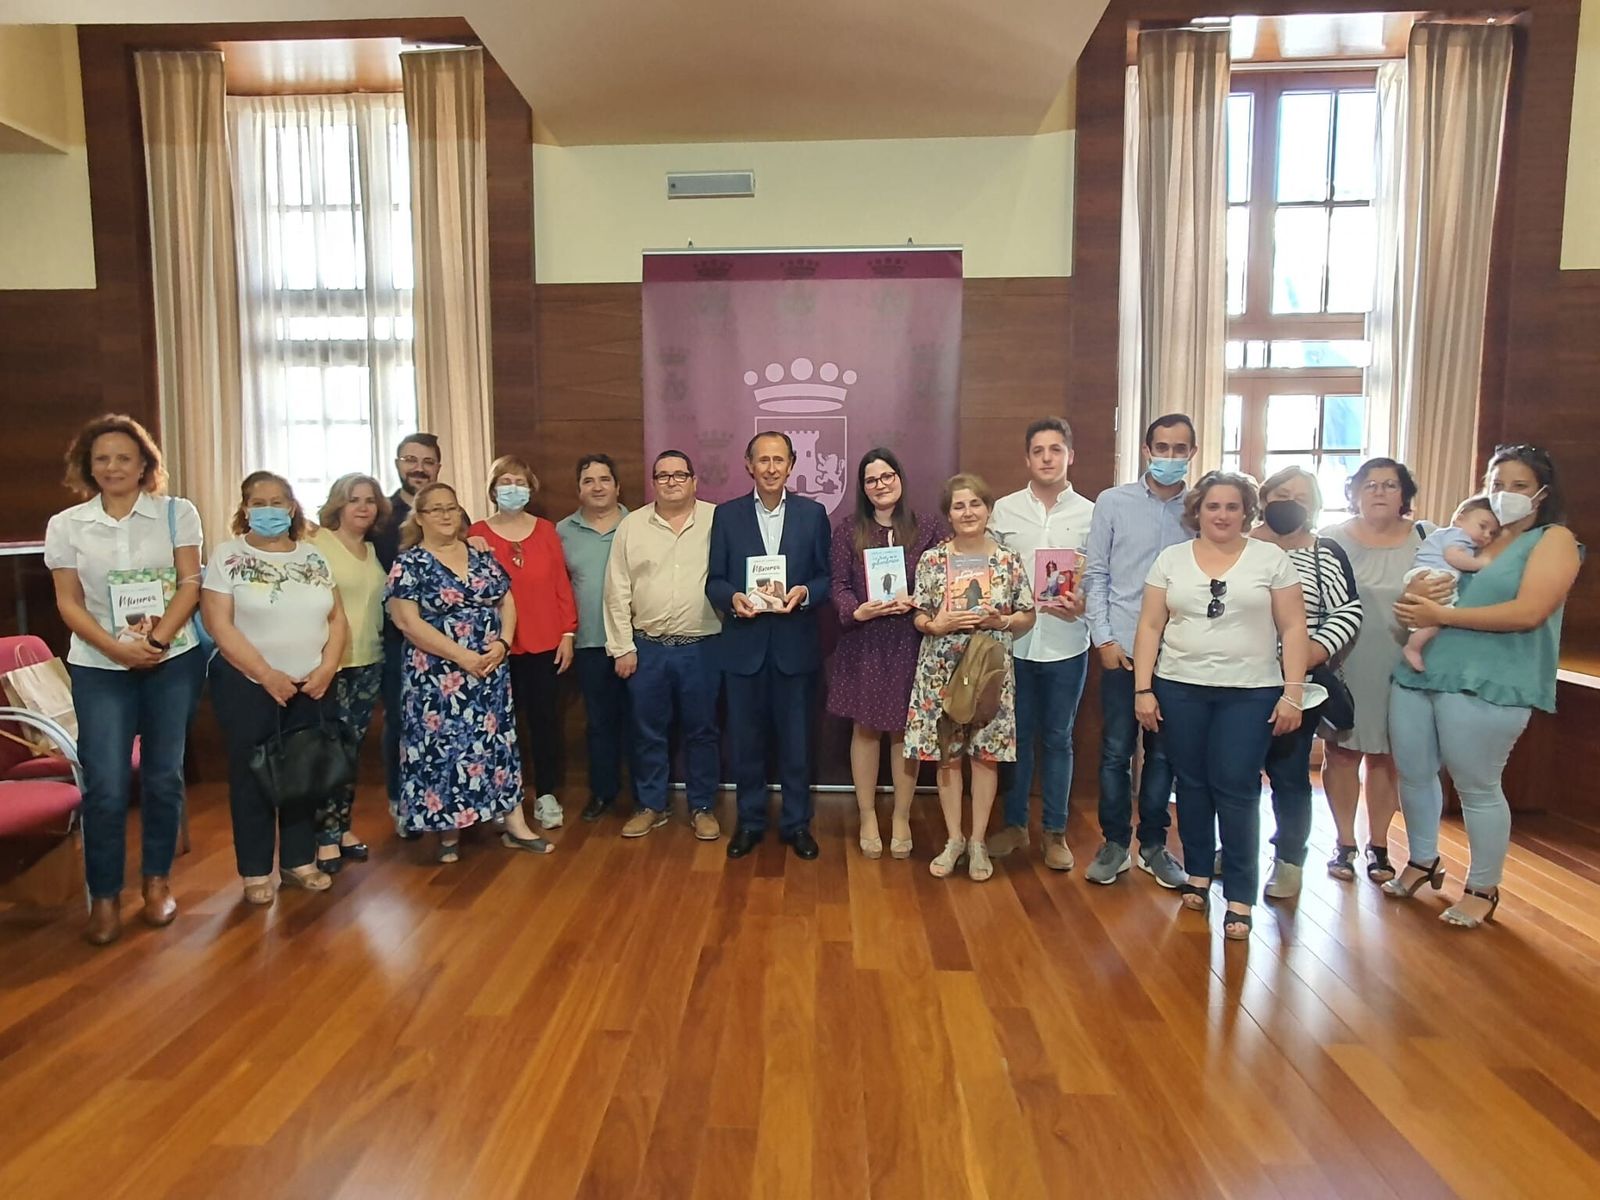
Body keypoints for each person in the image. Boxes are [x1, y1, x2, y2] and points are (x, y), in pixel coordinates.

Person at [1388, 445, 1581, 928]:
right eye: (1497, 484)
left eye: (1519, 485)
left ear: (1542, 493)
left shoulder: (1552, 540)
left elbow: (1528, 611)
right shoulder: (1470, 536)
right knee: (1413, 774)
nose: (1505, 493)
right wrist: (1414, 600)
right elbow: (1418, 596)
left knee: (1477, 787)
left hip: (1491, 680)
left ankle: (1482, 887)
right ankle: (1422, 859)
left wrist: (1442, 614)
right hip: (1421, 671)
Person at [44, 414, 207, 945]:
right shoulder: (67, 525)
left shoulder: (176, 513)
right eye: (102, 459)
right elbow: (69, 602)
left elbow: (190, 583)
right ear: (88, 467)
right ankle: (105, 896)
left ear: (143, 465)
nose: (112, 467)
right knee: (107, 784)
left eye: (123, 457)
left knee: (163, 776)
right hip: (99, 666)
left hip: (171, 659)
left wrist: (155, 642)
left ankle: (156, 882)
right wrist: (116, 649)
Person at [1133, 471, 1309, 940]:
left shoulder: (1271, 559)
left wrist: (1293, 693)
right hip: (1179, 688)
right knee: (1191, 785)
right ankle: (1197, 874)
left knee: (1236, 787)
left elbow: (1294, 627)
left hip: (1251, 693)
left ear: (1246, 512)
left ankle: (1239, 896)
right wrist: (1143, 689)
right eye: (1213, 506)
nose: (1223, 515)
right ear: (1198, 511)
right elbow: (1149, 626)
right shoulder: (1171, 559)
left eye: (1232, 506)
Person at [201, 472, 348, 905]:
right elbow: (218, 624)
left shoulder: (313, 556)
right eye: (259, 502)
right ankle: (255, 870)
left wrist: (327, 667)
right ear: (245, 509)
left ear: (292, 507)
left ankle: (299, 861)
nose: (269, 510)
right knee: (252, 779)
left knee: (304, 774)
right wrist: (266, 674)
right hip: (249, 685)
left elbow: (337, 618)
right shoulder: (228, 556)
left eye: (278, 501)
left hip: (311, 685)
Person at [386, 482, 549, 862]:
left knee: (497, 745)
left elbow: (507, 600)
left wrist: (503, 643)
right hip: (437, 678)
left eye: (451, 507)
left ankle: (514, 823)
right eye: (436, 509)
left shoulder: (480, 553)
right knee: (444, 751)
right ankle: (449, 832)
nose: (446, 515)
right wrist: (462, 656)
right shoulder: (409, 564)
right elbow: (407, 622)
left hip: (489, 671)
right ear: (420, 518)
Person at [1321, 458, 1452, 884]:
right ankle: (1344, 843)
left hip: (1406, 662)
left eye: (1390, 485)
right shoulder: (1330, 538)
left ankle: (1379, 845)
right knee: (1342, 753)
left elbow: (1448, 590)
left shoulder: (1427, 537)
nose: (1379, 491)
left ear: (1404, 495)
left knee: (1387, 758)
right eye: (1370, 484)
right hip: (1347, 662)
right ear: (1354, 493)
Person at [1080, 413, 1196, 888]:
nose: (1170, 456)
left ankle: (1153, 845)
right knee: (1115, 751)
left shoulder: (1200, 509)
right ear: (1147, 451)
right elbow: (1096, 574)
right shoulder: (1113, 502)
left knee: (1164, 755)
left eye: (1179, 449)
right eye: (1161, 447)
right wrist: (1104, 639)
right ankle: (1114, 843)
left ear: (1191, 453)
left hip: (1179, 654)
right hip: (1123, 648)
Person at [905, 473, 1037, 881]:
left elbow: (1028, 614)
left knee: (985, 755)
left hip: (988, 671)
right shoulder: (932, 560)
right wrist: (934, 624)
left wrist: (1004, 620)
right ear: (948, 514)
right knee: (947, 756)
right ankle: (954, 839)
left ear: (989, 509)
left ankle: (978, 841)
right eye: (958, 506)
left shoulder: (1008, 559)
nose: (967, 512)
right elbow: (918, 614)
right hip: (940, 669)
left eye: (975, 504)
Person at [708, 432, 832, 861]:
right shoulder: (727, 516)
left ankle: (797, 824)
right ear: (749, 465)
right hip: (744, 649)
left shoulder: (813, 515)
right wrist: (732, 598)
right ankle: (750, 822)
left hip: (795, 648)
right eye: (763, 460)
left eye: (779, 460)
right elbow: (714, 580)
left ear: (792, 464)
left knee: (797, 744)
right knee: (746, 744)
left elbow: (825, 577)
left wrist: (805, 592)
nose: (771, 468)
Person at [826, 447, 946, 859]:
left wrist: (920, 601)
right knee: (865, 730)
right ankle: (866, 816)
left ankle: (901, 817)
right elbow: (837, 585)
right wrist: (856, 609)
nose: (880, 485)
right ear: (863, 488)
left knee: (903, 732)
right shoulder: (848, 530)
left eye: (887, 476)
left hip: (911, 640)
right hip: (865, 640)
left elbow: (941, 580)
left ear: (900, 479)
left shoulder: (927, 527)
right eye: (871, 480)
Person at [1249, 467, 1363, 898]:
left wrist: (1314, 651)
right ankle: (1236, 849)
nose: (1290, 503)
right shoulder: (1239, 546)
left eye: (1300, 497)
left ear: (1313, 506)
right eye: (1281, 494)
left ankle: (1289, 859)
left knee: (1290, 775)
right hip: (1239, 681)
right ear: (1264, 498)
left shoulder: (1323, 553)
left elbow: (1348, 610)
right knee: (1235, 773)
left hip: (1299, 683)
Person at [987, 417, 1095, 871]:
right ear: (1027, 458)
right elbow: (988, 570)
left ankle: (1055, 832)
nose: (1047, 458)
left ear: (1070, 455)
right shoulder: (1004, 510)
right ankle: (1015, 825)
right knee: (1016, 738)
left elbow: (1101, 577)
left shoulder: (1092, 513)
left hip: (1068, 643)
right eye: (1038, 451)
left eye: (1056, 450)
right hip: (1015, 643)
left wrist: (1083, 603)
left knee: (1058, 738)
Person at [604, 450, 723, 841]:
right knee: (647, 732)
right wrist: (622, 646)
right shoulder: (632, 526)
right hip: (647, 648)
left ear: (694, 481)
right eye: (663, 476)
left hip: (703, 647)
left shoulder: (718, 520)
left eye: (679, 475)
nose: (672, 482)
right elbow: (617, 588)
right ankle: (650, 805)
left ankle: (702, 807)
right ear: (653, 482)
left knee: (703, 731)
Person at [469, 455, 578, 831]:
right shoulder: (476, 534)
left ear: (531, 488)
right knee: (497, 726)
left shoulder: (546, 530)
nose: (512, 488)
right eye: (505, 481)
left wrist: (568, 633)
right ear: (492, 489)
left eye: (519, 482)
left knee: (545, 723)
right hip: (496, 647)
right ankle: (503, 798)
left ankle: (546, 794)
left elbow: (561, 583)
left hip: (545, 642)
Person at [307, 473, 391, 875]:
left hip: (369, 661)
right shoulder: (316, 544)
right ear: (337, 504)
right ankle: (323, 836)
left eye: (370, 500)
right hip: (330, 662)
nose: (362, 507)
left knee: (351, 750)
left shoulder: (373, 550)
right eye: (354, 499)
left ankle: (341, 827)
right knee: (330, 750)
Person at [373, 433, 449, 831]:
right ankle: (400, 803)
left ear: (438, 467)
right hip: (396, 638)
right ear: (398, 464)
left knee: (440, 724)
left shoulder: (450, 514)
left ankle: (441, 803)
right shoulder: (379, 517)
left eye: (427, 461)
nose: (418, 468)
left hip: (446, 643)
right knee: (402, 721)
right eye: (410, 460)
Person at [557, 453, 639, 822]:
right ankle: (603, 793)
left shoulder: (638, 524)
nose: (597, 487)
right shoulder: (562, 532)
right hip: (590, 642)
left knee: (640, 722)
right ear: (578, 490)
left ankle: (645, 796)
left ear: (618, 487)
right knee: (599, 724)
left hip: (636, 641)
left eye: (604, 479)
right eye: (588, 481)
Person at [1400, 497, 1498, 670]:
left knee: (1435, 617)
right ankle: (1413, 647)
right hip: (1433, 575)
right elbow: (1453, 557)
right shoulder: (1457, 534)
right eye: (1482, 526)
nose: (1486, 535)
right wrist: (1481, 563)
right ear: (1460, 518)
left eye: (1492, 533)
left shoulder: (1451, 535)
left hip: (1427, 574)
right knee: (1439, 617)